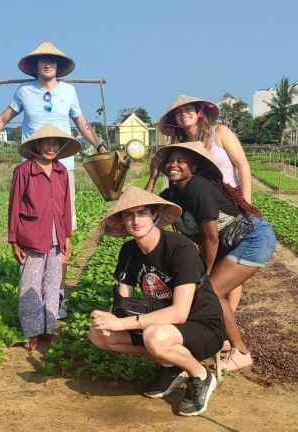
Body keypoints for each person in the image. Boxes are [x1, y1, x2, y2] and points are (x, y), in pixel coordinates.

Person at [0, 42, 109, 317]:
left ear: (59, 66)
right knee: (32, 227)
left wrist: (99, 146)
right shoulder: (24, 91)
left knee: (61, 232)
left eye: (52, 61)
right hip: (32, 168)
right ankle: (32, 295)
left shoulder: (68, 91)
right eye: (42, 61)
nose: (47, 64)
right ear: (35, 66)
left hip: (62, 168)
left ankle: (57, 297)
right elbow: (3, 119)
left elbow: (82, 123)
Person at [88, 187, 226, 417]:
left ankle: (199, 374)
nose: (135, 220)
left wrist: (123, 324)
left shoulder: (180, 249)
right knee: (98, 334)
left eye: (142, 213)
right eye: (128, 215)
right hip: (164, 327)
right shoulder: (129, 251)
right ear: (122, 221)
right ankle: (171, 365)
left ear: (154, 214)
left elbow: (180, 313)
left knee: (155, 337)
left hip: (202, 325)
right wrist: (108, 317)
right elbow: (122, 302)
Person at [145, 141, 276, 372]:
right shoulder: (174, 193)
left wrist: (202, 272)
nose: (173, 164)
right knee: (209, 291)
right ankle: (222, 340)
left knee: (210, 290)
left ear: (193, 168)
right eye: (169, 161)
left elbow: (211, 237)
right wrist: (153, 176)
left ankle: (241, 352)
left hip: (253, 239)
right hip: (232, 243)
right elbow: (142, 209)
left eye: (181, 160)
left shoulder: (198, 187)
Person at [156, 95, 254, 352]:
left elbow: (242, 165)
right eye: (178, 113)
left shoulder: (219, 133)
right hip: (202, 211)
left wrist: (246, 203)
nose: (183, 115)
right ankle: (219, 319)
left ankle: (223, 320)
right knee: (210, 261)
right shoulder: (183, 146)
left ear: (199, 112)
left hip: (228, 209)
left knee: (224, 268)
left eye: (188, 110)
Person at [8, 124, 79, 350]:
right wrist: (13, 239)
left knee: (52, 283)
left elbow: (66, 206)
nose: (51, 147)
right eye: (46, 142)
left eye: (55, 143)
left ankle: (49, 328)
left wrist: (67, 235)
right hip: (31, 236)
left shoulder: (61, 172)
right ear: (37, 145)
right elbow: (14, 205)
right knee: (30, 284)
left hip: (57, 236)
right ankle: (33, 331)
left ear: (60, 146)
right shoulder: (24, 171)